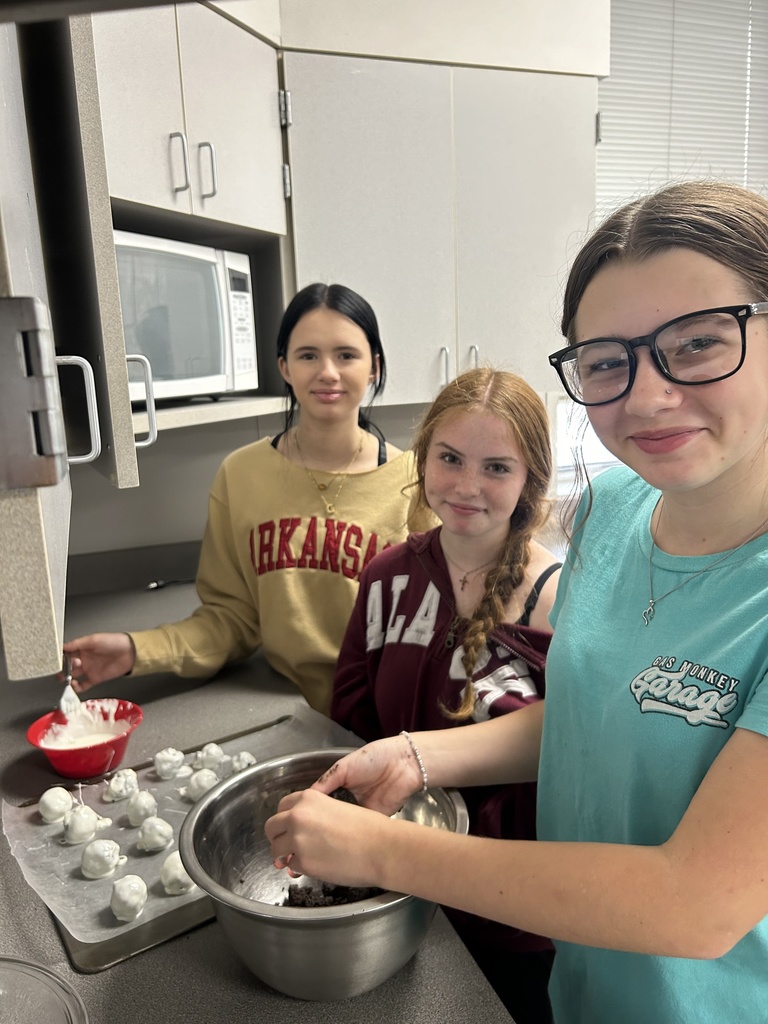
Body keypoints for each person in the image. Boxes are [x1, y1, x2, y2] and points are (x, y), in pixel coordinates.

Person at [265, 180, 768, 1024]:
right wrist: (422, 756)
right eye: (608, 359)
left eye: (699, 343)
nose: (645, 396)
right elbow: (587, 714)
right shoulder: (611, 512)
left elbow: (697, 903)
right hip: (580, 988)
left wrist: (389, 851)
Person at [64, 283, 435, 714]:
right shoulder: (240, 475)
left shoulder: (414, 480)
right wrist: (135, 650)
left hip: (386, 709)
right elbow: (231, 621)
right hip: (284, 712)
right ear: (285, 366)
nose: (328, 372)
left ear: (374, 366)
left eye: (346, 355)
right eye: (308, 355)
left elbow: (433, 623)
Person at [330, 367, 560, 1023]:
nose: (466, 486)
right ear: (423, 456)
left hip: (511, 906)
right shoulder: (385, 580)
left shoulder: (559, 603)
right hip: (397, 882)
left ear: (528, 482)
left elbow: (573, 754)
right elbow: (352, 721)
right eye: (450, 458)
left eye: (496, 467)